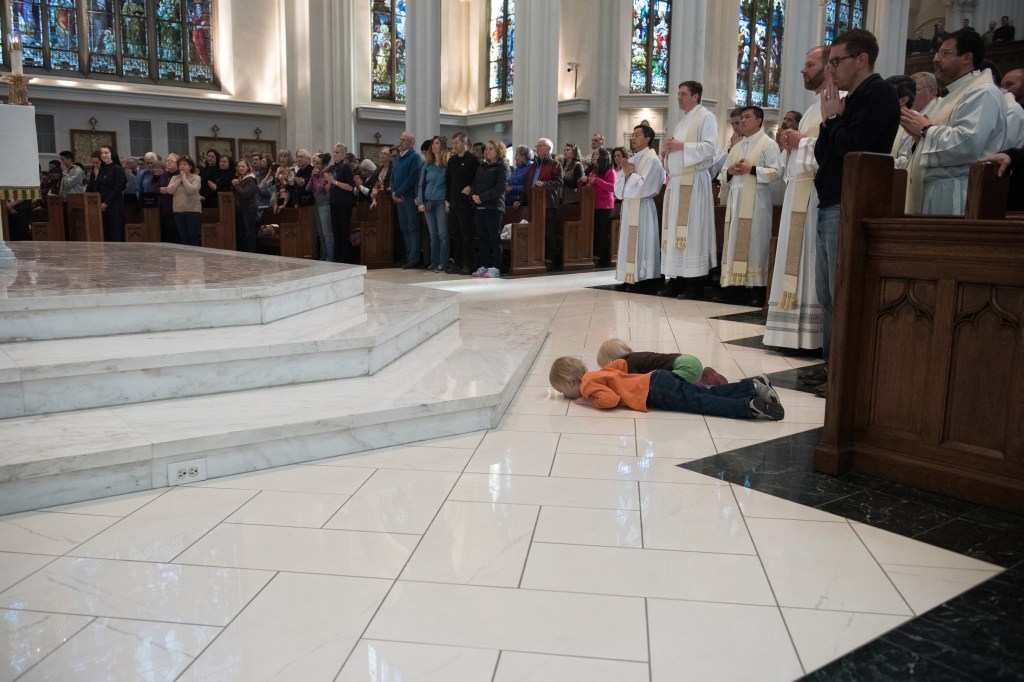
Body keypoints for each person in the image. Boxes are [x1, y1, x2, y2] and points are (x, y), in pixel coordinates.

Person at [807, 28, 900, 394]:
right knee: (828, 296)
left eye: (836, 61)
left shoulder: (878, 94)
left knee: (843, 295)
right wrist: (832, 121)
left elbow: (855, 148)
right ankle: (832, 365)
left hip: (852, 202)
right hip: (831, 201)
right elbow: (823, 154)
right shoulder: (849, 98)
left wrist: (832, 120)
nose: (831, 69)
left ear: (861, 60)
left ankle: (845, 373)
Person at [900, 29, 1006, 215]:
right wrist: (918, 137)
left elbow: (968, 143)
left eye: (944, 53)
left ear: (966, 58)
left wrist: (925, 130)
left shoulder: (983, 92)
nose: (936, 58)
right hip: (936, 189)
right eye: (937, 53)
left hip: (956, 194)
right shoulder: (954, 94)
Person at [766, 46, 829, 352]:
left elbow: (831, 149)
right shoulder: (815, 106)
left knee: (810, 260)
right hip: (798, 191)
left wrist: (800, 142)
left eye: (809, 64)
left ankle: (811, 334)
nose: (803, 69)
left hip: (815, 193)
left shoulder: (834, 102)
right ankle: (790, 333)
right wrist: (793, 145)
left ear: (829, 67)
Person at [548, 356, 784, 421]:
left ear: (570, 382)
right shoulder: (597, 373)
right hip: (658, 379)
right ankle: (752, 385)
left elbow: (608, 400)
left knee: (700, 403)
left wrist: (590, 402)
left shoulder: (588, 385)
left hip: (655, 392)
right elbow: (621, 364)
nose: (563, 395)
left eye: (561, 390)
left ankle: (748, 407)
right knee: (704, 394)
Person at [658, 80, 720, 301]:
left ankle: (695, 285)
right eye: (678, 94)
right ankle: (676, 280)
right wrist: (667, 154)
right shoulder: (682, 122)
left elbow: (711, 147)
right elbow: (677, 152)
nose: (679, 98)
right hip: (677, 184)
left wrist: (681, 147)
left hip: (694, 184)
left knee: (692, 234)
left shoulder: (706, 117)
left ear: (695, 96)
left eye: (683, 94)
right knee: (675, 233)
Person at [717, 105, 782, 306]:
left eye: (747, 117)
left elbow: (776, 172)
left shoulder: (768, 144)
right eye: (741, 118)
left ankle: (756, 289)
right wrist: (731, 172)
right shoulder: (736, 147)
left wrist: (751, 169)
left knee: (755, 244)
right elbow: (722, 173)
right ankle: (735, 288)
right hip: (736, 203)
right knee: (734, 243)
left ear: (759, 121)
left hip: (756, 204)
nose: (742, 121)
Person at [614, 124, 665, 287]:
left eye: (637, 135)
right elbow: (618, 188)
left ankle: (645, 277)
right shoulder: (632, 159)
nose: (633, 138)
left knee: (643, 241)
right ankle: (630, 276)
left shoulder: (653, 160)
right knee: (629, 241)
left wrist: (631, 175)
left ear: (648, 138)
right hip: (629, 207)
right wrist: (628, 175)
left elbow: (648, 187)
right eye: (632, 135)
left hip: (643, 207)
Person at [596, 337, 728, 387]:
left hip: (686, 367)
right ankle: (703, 375)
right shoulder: (635, 356)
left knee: (670, 385)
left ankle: (702, 383)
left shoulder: (628, 364)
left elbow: (635, 382)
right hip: (687, 360)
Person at [521, 138, 563, 268]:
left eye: (541, 146)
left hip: (549, 203)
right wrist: (522, 200)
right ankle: (537, 257)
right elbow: (527, 184)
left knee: (548, 232)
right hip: (534, 203)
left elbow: (558, 182)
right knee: (536, 231)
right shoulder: (533, 165)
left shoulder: (555, 164)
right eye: (537, 146)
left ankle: (550, 260)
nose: (537, 148)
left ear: (549, 149)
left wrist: (543, 184)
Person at [470, 139, 508, 278]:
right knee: (483, 238)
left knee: (494, 238)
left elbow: (499, 189)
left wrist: (482, 197)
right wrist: (473, 194)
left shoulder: (502, 167)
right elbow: (474, 184)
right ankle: (484, 265)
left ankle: (495, 267)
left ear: (498, 151)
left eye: (491, 148)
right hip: (479, 207)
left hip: (494, 206)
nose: (488, 151)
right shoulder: (482, 166)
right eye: (487, 149)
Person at [446, 133, 480, 275]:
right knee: (456, 234)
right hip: (453, 202)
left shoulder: (473, 160)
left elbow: (478, 178)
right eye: (453, 143)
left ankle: (468, 264)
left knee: (467, 235)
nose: (454, 146)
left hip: (466, 203)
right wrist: (446, 200)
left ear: (464, 143)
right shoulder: (452, 160)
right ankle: (457, 263)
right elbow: (448, 180)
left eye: (456, 143)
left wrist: (471, 187)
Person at [390, 131, 425, 268]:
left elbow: (412, 178)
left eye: (404, 140)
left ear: (411, 143)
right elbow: (392, 176)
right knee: (404, 228)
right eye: (400, 139)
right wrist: (393, 192)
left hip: (409, 197)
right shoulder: (398, 157)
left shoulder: (414, 157)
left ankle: (414, 258)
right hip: (398, 198)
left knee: (412, 228)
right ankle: (408, 255)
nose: (401, 142)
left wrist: (398, 192)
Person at [417, 135, 451, 273]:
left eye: (436, 143)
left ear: (442, 146)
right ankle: (434, 262)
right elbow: (421, 184)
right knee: (433, 235)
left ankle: (443, 262)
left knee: (442, 234)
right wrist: (420, 201)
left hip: (441, 201)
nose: (434, 146)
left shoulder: (447, 165)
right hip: (428, 202)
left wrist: (448, 201)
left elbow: (450, 184)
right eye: (433, 144)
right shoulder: (427, 164)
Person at [579, 147, 616, 267]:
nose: (593, 156)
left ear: (602, 157)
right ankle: (595, 255)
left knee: (602, 232)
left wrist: (597, 181)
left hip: (604, 205)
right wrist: (582, 180)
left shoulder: (610, 171)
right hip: (591, 205)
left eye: (596, 155)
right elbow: (584, 184)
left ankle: (603, 258)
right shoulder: (593, 170)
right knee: (594, 232)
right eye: (593, 155)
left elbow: (612, 187)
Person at [325, 143, 358, 264]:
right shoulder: (332, 168)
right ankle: (338, 257)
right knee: (336, 230)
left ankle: (346, 258)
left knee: (344, 230)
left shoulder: (346, 167)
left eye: (337, 152)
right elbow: (329, 186)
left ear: (344, 155)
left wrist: (335, 182)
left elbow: (350, 187)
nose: (334, 154)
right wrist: (328, 183)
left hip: (344, 202)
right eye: (334, 152)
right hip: (334, 201)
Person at [164, 154, 203, 246]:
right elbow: (169, 190)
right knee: (183, 236)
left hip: (192, 210)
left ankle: (195, 257)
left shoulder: (196, 178)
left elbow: (192, 190)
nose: (182, 166)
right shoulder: (174, 178)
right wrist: (179, 180)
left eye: (184, 164)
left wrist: (184, 179)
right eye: (180, 165)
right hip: (178, 209)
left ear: (190, 166)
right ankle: (186, 258)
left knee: (192, 235)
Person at [92, 145, 127, 242]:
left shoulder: (117, 169)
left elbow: (118, 189)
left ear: (112, 154)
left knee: (115, 232)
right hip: (102, 205)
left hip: (114, 204)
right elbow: (97, 187)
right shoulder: (102, 169)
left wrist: (106, 203)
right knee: (105, 232)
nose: (103, 155)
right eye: (102, 153)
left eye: (106, 153)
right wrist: (98, 202)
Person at [306, 152, 334, 261]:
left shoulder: (327, 174)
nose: (314, 165)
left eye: (317, 163)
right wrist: (313, 178)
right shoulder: (315, 174)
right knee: (321, 233)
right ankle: (323, 256)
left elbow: (320, 189)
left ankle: (330, 257)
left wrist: (315, 177)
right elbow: (308, 188)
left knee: (327, 234)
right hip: (317, 205)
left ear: (324, 164)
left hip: (325, 205)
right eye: (314, 162)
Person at [232, 158, 259, 253]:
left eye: (243, 166)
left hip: (249, 209)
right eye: (239, 166)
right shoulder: (241, 179)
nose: (241, 168)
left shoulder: (250, 179)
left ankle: (250, 252)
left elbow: (245, 194)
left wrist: (237, 185)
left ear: (248, 167)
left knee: (248, 233)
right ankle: (244, 252)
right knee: (242, 233)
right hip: (240, 209)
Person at [506, 145, 533, 211]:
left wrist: (512, 189)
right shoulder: (516, 169)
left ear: (524, 156)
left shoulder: (530, 169)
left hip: (520, 204)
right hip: (510, 202)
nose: (515, 158)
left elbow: (529, 187)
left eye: (517, 155)